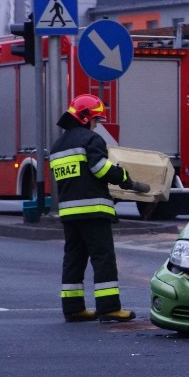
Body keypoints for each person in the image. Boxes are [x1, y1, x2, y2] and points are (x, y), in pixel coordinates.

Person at [49, 94, 139, 322]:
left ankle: (73, 308)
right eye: (96, 120)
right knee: (103, 258)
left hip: (69, 213)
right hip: (92, 210)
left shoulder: (58, 145)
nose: (96, 124)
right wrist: (124, 177)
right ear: (86, 118)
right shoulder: (91, 139)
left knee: (74, 259)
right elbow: (100, 169)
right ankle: (109, 308)